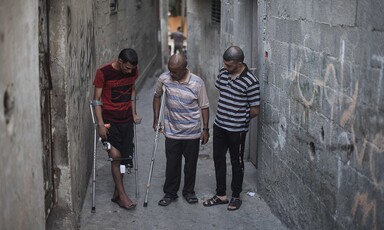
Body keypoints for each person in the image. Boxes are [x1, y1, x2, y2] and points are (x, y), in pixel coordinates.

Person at [203, 46, 260, 211]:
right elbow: (221, 89)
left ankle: (236, 196)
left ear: (240, 63)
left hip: (237, 130)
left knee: (237, 162)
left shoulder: (251, 81)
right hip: (219, 125)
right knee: (218, 159)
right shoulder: (223, 72)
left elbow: (255, 110)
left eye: (229, 65)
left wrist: (238, 118)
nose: (225, 68)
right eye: (225, 64)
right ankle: (221, 195)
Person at [153, 53, 210, 206]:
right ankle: (170, 193)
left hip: (192, 131)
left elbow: (204, 106)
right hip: (172, 130)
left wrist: (205, 129)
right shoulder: (164, 79)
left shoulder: (197, 83)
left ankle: (189, 192)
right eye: (170, 70)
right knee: (172, 164)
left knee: (190, 165)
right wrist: (156, 119)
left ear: (184, 68)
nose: (171, 74)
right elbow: (157, 96)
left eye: (175, 71)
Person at [93, 48, 141, 210]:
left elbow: (132, 90)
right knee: (115, 156)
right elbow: (96, 100)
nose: (130, 71)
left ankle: (116, 192)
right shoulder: (103, 73)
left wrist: (134, 113)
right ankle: (122, 196)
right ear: (120, 62)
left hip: (126, 120)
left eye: (132, 69)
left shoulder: (133, 71)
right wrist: (100, 124)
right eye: (127, 68)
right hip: (109, 122)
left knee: (124, 159)